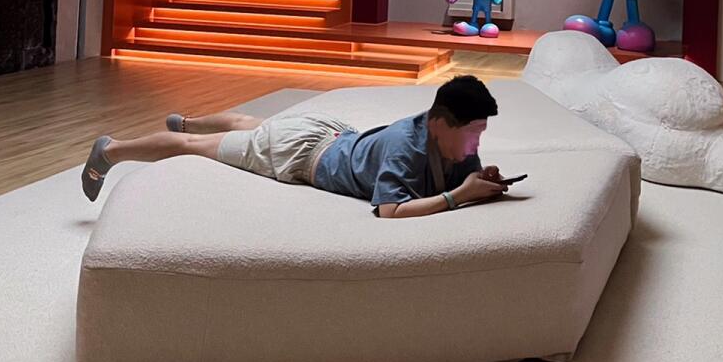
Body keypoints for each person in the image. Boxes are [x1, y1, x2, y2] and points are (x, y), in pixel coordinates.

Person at [80, 74, 511, 218]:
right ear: (438, 123)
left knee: (252, 125)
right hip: (301, 154)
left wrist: (480, 179)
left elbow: (459, 170)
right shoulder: (406, 146)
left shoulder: (454, 139)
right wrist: (459, 197)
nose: (476, 143)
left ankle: (185, 118)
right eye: (471, 134)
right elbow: (389, 211)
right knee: (196, 147)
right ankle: (112, 149)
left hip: (331, 133)